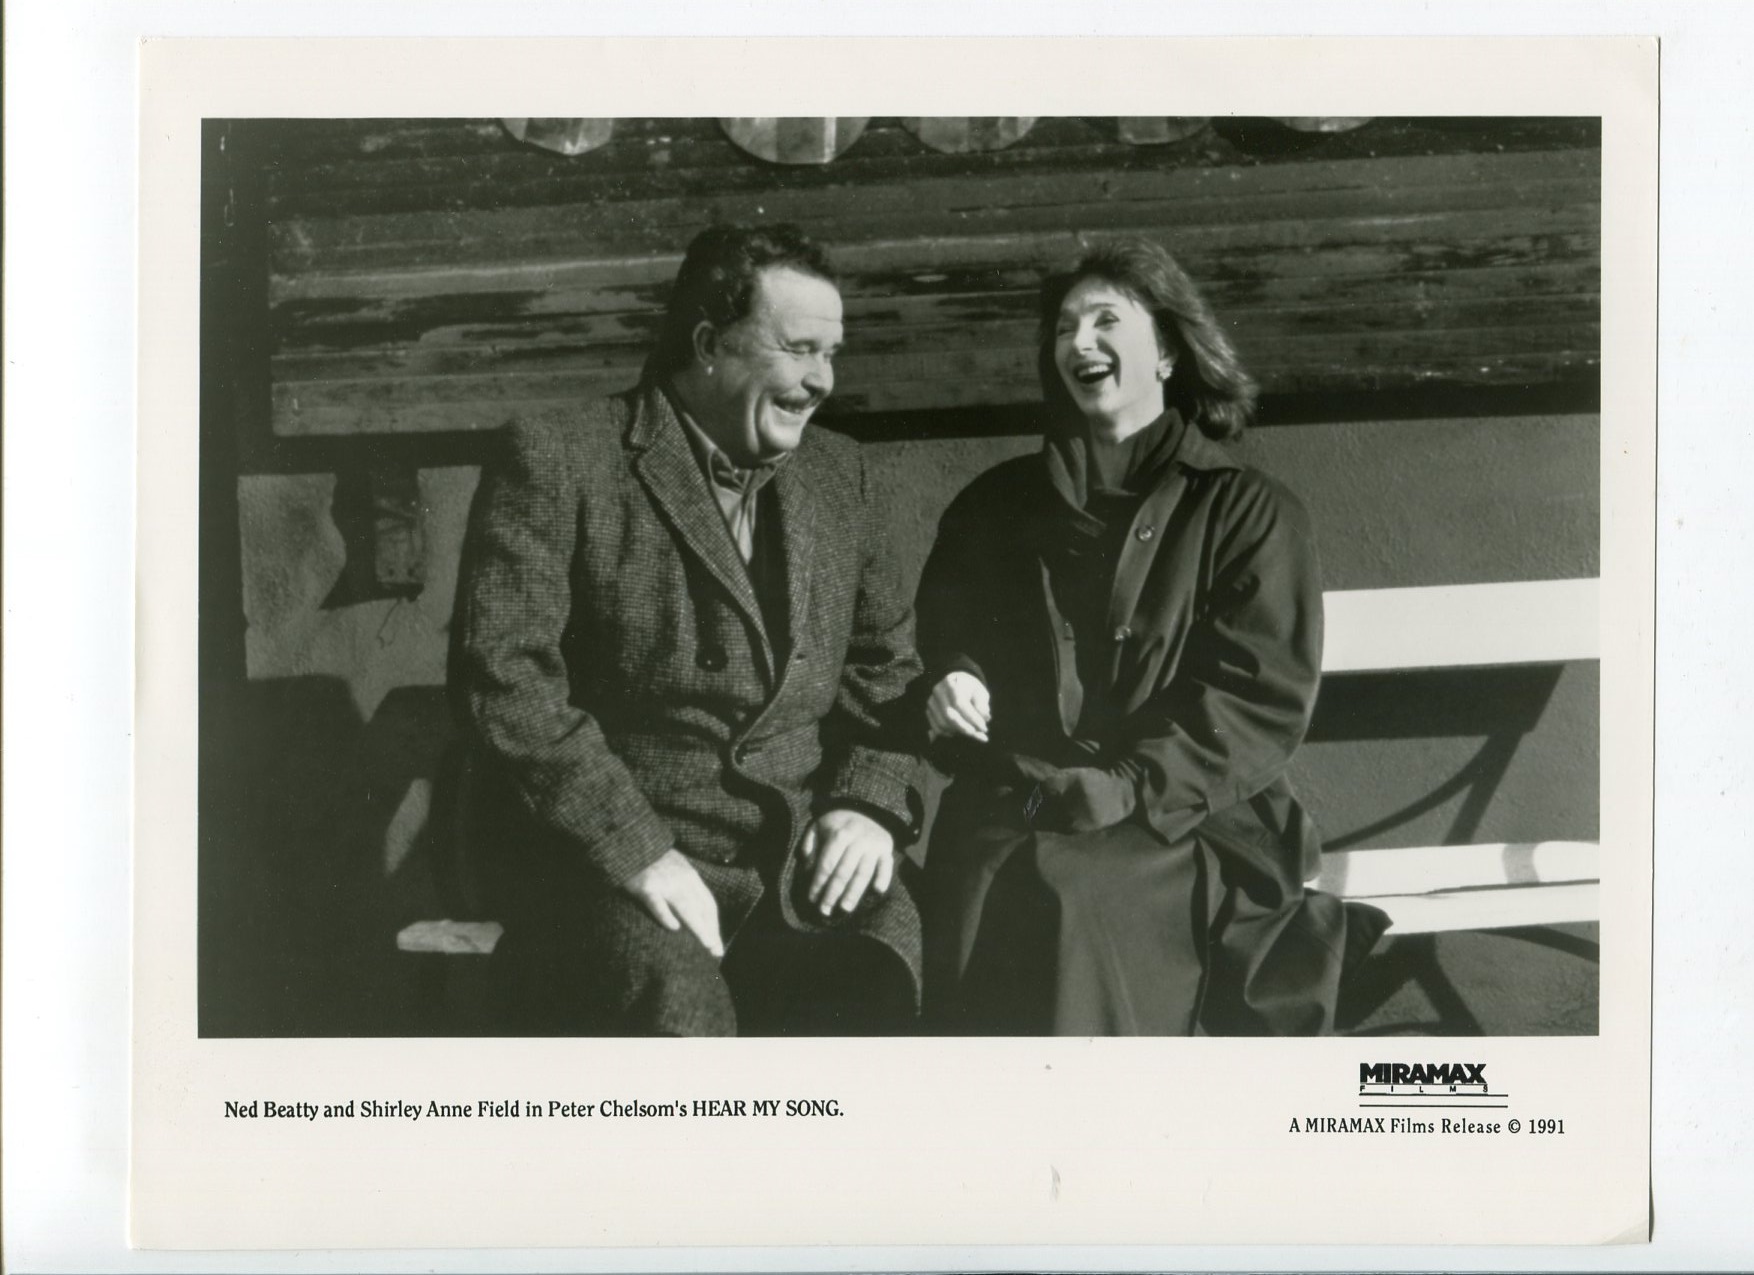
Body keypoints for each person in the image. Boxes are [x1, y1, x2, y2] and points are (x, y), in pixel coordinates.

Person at [449, 223, 925, 1036]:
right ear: (708, 344)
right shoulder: (560, 457)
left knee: (871, 991)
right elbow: (505, 683)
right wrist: (634, 847)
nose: (822, 380)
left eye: (831, 354)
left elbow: (888, 669)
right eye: (798, 349)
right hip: (611, 858)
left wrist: (867, 803)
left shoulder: (840, 473)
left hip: (797, 855)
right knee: (682, 1020)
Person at [914, 237, 1386, 1036]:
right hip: (1025, 796)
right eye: (1064, 328)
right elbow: (946, 627)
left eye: (1106, 321)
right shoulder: (995, 505)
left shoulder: (1248, 511)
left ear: (1167, 351)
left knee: (1074, 896)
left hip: (1185, 814)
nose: (1080, 342)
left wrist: (1130, 784)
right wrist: (953, 676)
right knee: (968, 882)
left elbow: (1256, 698)